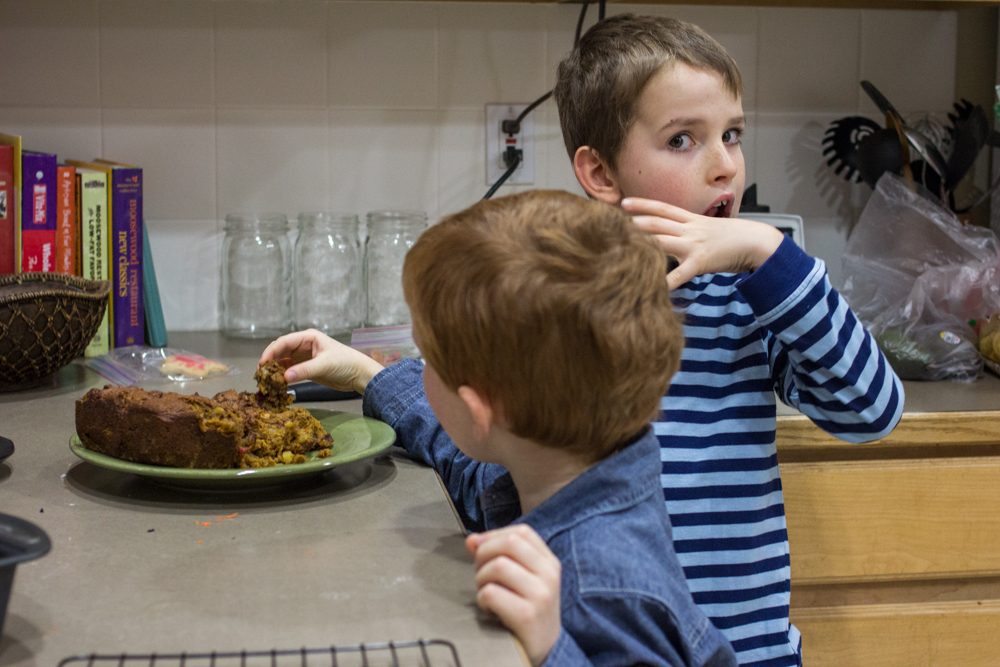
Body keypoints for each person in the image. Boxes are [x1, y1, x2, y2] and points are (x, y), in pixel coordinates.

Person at [552, 13, 904, 667]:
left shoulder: (751, 294)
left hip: (751, 651)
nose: (724, 167)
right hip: (609, 651)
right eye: (683, 139)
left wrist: (773, 256)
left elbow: (873, 410)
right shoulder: (556, 301)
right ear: (600, 173)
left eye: (733, 135)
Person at [261, 190, 738, 667]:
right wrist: (370, 374)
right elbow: (467, 455)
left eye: (427, 359)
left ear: (478, 409)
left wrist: (554, 650)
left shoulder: (599, 587)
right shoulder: (572, 461)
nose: (421, 367)